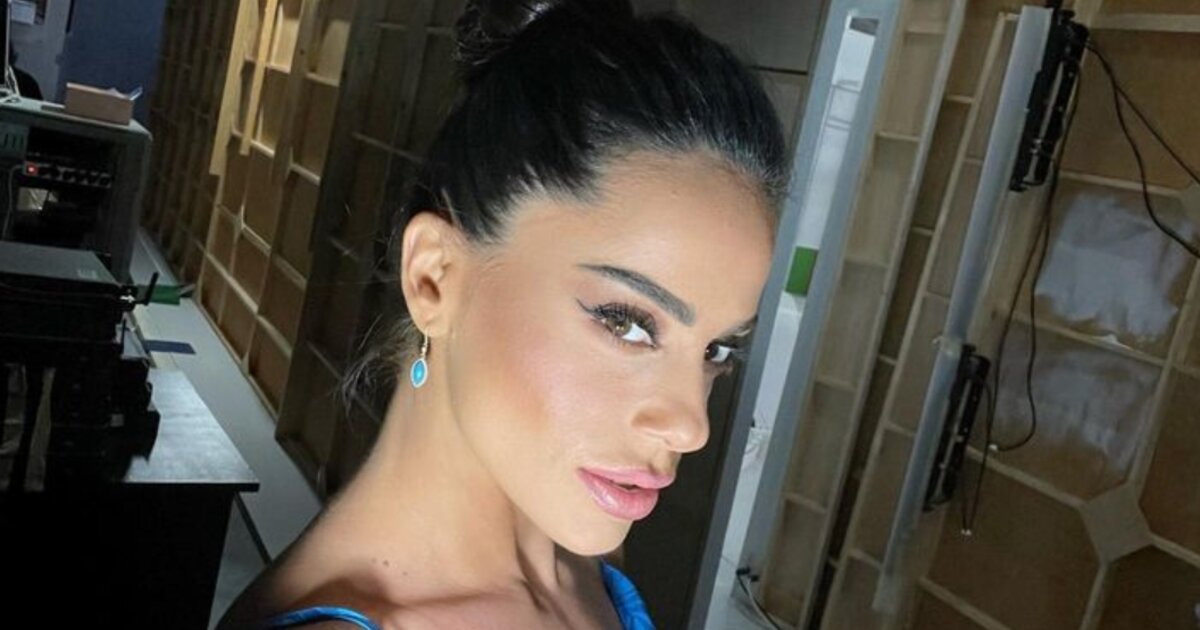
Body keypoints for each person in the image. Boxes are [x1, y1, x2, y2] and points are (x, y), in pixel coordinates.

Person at [218, 0, 786, 627]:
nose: (689, 427)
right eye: (626, 322)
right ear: (434, 278)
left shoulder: (583, 554)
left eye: (716, 350)